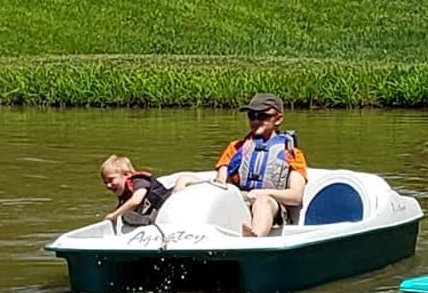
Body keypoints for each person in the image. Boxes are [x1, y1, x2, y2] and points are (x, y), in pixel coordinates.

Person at [174, 93, 307, 237]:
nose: (255, 121)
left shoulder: (291, 153)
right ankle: (178, 231)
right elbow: (222, 181)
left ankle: (254, 238)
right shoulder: (236, 148)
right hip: (239, 199)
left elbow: (296, 195)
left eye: (262, 116)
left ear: (278, 119)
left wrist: (263, 193)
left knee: (262, 202)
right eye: (251, 115)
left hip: (272, 205)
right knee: (184, 180)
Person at [101, 154, 172, 226]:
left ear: (127, 174)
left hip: (169, 204)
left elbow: (136, 201)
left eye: (111, 179)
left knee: (180, 181)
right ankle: (148, 222)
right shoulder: (125, 194)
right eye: (105, 182)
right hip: (155, 213)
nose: (108, 185)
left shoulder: (139, 181)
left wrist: (114, 215)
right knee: (125, 216)